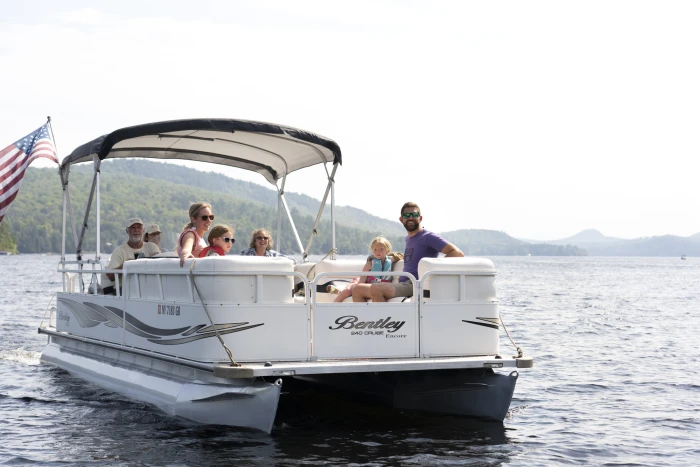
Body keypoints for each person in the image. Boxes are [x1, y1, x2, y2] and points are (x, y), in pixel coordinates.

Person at [352, 202, 464, 302]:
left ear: (420, 218)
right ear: (401, 219)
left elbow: (457, 253)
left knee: (376, 289)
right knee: (357, 289)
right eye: (407, 215)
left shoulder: (428, 237)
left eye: (414, 215)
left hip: (415, 284)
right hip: (403, 283)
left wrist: (434, 269)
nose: (411, 217)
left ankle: (384, 324)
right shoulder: (409, 239)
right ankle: (365, 324)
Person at [102, 217, 160, 295]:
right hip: (124, 288)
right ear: (127, 231)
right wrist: (125, 265)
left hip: (147, 288)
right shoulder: (119, 251)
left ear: (143, 230)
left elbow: (160, 265)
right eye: (133, 227)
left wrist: (156, 259)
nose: (136, 230)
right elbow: (110, 276)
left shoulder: (152, 247)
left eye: (139, 227)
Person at [332, 236, 398, 302]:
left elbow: (401, 256)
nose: (378, 252)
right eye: (375, 249)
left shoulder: (391, 260)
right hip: (363, 283)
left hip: (381, 287)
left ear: (387, 250)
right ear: (372, 250)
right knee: (347, 291)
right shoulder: (369, 264)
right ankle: (334, 305)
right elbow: (361, 281)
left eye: (381, 249)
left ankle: (339, 291)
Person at [178, 202, 214, 267]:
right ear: (193, 219)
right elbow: (187, 248)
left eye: (211, 217)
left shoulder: (199, 238)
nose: (209, 220)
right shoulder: (190, 234)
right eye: (205, 217)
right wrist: (186, 254)